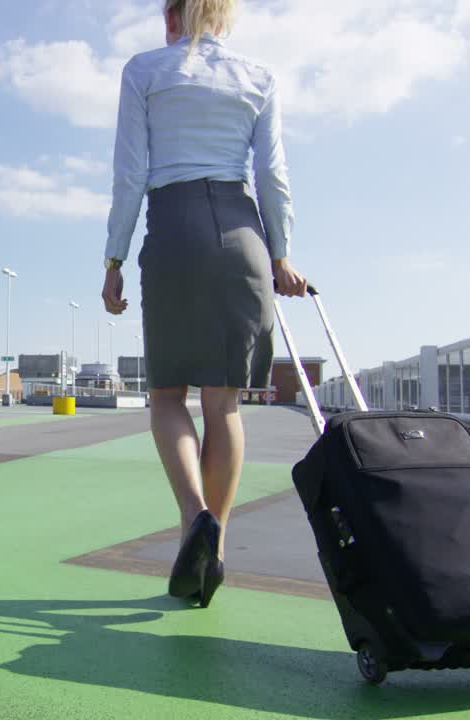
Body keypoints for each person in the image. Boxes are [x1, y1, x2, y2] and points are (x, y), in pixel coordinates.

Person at [100, 0, 307, 608]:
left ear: (171, 17)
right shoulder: (259, 77)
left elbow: (129, 173)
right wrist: (283, 253)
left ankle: (195, 520)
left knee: (167, 395)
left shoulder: (145, 70)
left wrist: (113, 259)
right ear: (225, 17)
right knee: (226, 404)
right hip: (243, 237)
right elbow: (272, 175)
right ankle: (213, 554)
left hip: (174, 228)